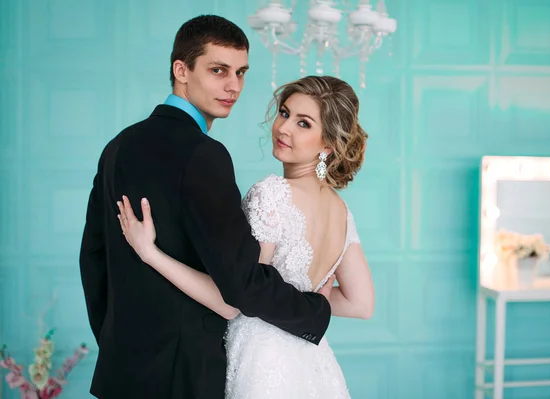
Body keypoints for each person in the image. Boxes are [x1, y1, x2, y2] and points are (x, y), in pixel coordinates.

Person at [78, 15, 333, 399]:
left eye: (241, 72)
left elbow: (93, 260)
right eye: (218, 70)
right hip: (184, 377)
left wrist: (121, 345)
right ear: (181, 70)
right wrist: (315, 311)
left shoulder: (118, 146)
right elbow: (241, 284)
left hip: (123, 373)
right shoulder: (203, 155)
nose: (234, 86)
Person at [116, 75, 375, 398]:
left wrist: (150, 253)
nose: (284, 128)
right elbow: (360, 303)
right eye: (285, 113)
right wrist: (308, 298)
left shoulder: (272, 194)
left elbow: (231, 302)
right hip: (312, 363)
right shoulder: (342, 211)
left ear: (328, 145)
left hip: (261, 363)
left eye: (304, 123)